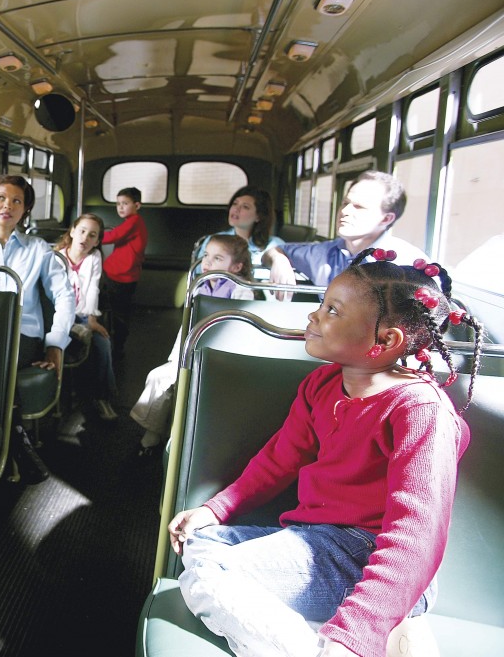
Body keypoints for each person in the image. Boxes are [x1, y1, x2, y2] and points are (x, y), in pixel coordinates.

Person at [168, 248, 484, 657]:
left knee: (207, 576)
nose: (313, 317)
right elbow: (280, 458)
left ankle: (337, 643)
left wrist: (359, 633)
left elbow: (415, 535)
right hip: (316, 541)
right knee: (199, 543)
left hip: (370, 556)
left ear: (386, 340)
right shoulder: (322, 384)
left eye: (332, 310)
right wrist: (215, 510)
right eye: (321, 304)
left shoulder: (420, 411)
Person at [130, 234, 255, 454]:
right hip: (192, 353)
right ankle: (155, 432)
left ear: (236, 267)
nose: (207, 262)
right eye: (206, 255)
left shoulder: (241, 291)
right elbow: (186, 328)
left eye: (217, 258)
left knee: (165, 380)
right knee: (158, 376)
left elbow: (239, 333)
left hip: (222, 358)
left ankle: (152, 437)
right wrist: (177, 359)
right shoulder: (200, 287)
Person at [0, 174, 75, 372]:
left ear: (24, 210)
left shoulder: (38, 249)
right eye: (1, 198)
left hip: (24, 335)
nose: (7, 205)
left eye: (16, 201)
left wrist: (55, 343)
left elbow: (64, 295)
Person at [262, 171, 428, 299]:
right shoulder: (324, 254)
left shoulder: (409, 263)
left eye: (359, 207)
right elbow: (275, 251)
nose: (345, 211)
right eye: (345, 203)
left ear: (386, 218)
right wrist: (279, 260)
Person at [54, 213, 119, 421]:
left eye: (92, 235)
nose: (85, 238)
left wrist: (91, 319)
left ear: (98, 241)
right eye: (82, 231)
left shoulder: (94, 258)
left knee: (103, 343)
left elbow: (93, 289)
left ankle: (102, 398)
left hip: (82, 315)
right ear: (72, 231)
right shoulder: (56, 257)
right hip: (59, 317)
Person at [100, 186, 148, 360]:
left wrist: (91, 236)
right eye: (118, 203)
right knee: (119, 311)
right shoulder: (133, 221)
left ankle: (116, 345)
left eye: (125, 203)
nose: (120, 207)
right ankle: (114, 343)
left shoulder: (134, 221)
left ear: (137, 205)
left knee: (119, 313)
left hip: (121, 276)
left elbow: (113, 236)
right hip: (122, 273)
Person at [193, 185, 284, 273]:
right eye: (235, 203)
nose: (236, 209)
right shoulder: (213, 240)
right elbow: (199, 277)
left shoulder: (275, 245)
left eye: (245, 207)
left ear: (258, 216)